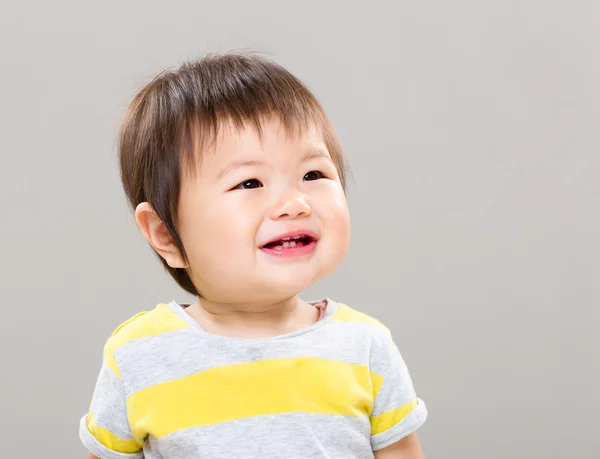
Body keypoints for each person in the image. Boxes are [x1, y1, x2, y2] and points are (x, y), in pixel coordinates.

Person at [79, 52, 428, 459]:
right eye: (249, 182)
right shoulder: (139, 355)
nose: (294, 203)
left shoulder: (364, 347)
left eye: (312, 175)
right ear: (166, 235)